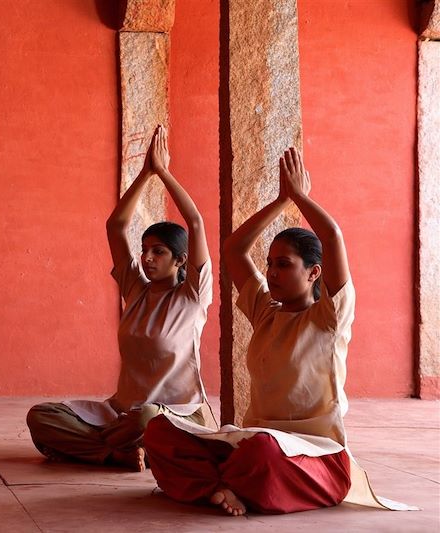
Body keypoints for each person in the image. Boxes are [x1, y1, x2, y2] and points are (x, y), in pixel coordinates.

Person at [144, 147, 413, 515]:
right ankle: (221, 487)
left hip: (314, 455)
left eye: (283, 265)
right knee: (160, 431)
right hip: (253, 441)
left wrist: (301, 198)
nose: (271, 273)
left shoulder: (329, 317)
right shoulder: (265, 312)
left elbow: (332, 236)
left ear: (314, 273)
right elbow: (235, 249)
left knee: (263, 454)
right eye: (269, 264)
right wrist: (280, 200)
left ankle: (211, 484)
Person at [26, 125, 215, 471]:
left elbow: (196, 223)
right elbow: (116, 226)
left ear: (181, 260)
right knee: (42, 416)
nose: (147, 259)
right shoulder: (136, 289)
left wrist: (164, 173)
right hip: (121, 411)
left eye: (158, 252)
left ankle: (102, 447)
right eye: (145, 251)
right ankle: (114, 452)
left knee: (146, 418)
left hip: (174, 413)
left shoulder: (192, 297)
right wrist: (144, 174)